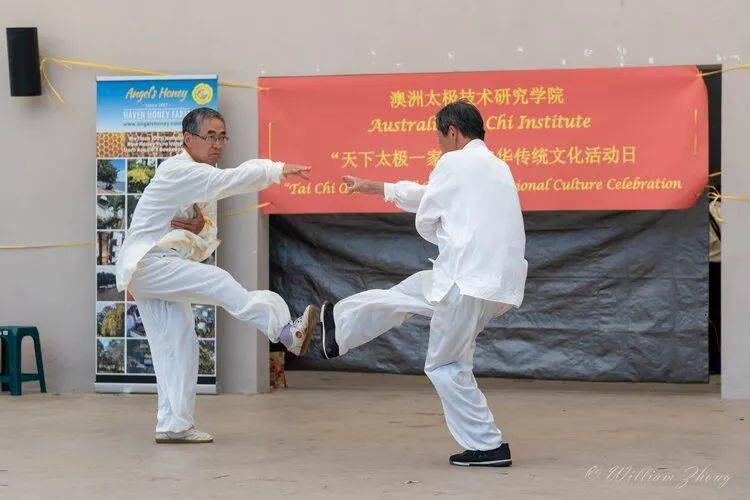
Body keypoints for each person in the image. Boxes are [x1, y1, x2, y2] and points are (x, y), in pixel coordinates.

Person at [318, 101, 527, 467]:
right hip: (491, 283)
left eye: (439, 138)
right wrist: (377, 186)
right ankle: (337, 327)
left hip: (465, 280)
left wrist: (435, 226)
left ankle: (488, 445)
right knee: (410, 291)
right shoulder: (495, 166)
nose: (439, 147)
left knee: (446, 365)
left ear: (453, 132)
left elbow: (429, 211)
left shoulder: (455, 162)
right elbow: (434, 197)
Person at [116, 107, 318, 444]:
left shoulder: (198, 176)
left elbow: (205, 233)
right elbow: (229, 181)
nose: (217, 143)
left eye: (222, 136)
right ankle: (284, 329)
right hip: (149, 264)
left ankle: (174, 424)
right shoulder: (180, 171)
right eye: (210, 136)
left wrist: (197, 228)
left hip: (152, 269)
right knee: (219, 282)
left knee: (179, 345)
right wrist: (277, 169)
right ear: (188, 138)